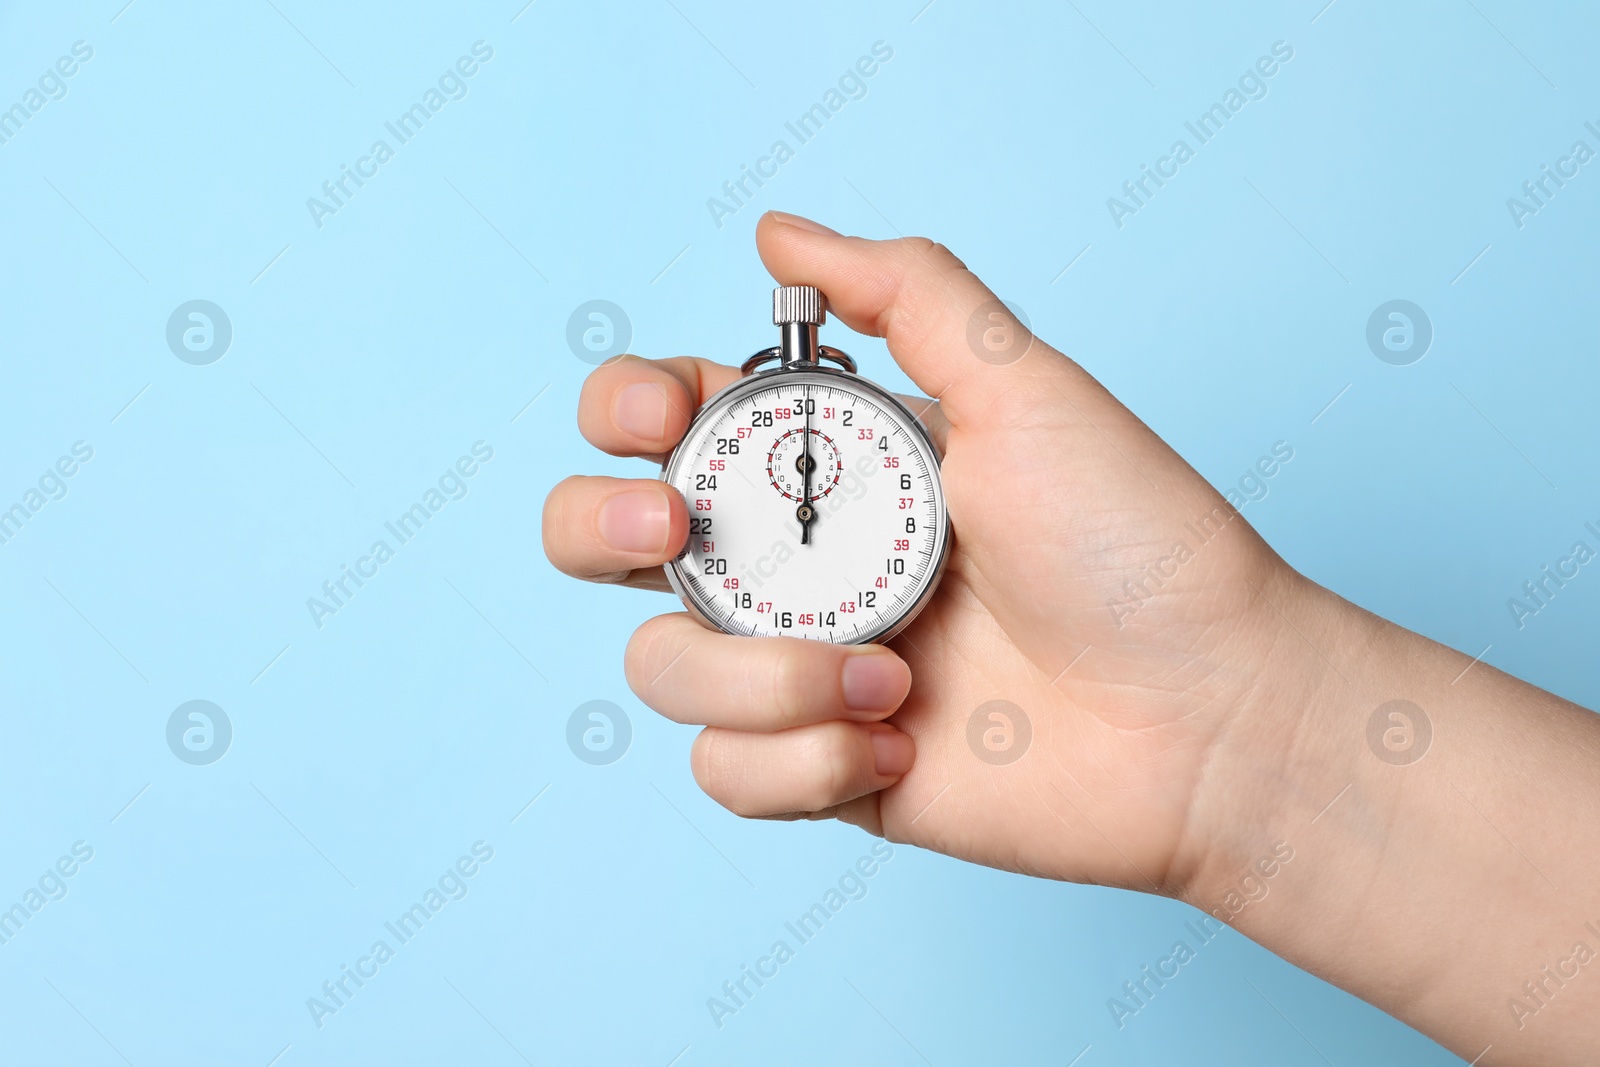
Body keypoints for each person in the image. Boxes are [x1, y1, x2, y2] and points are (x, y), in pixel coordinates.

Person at [542, 211, 1600, 1064]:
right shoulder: (763, 455)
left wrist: (1245, 728)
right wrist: (1251, 746)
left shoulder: (892, 470)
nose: (808, 512)